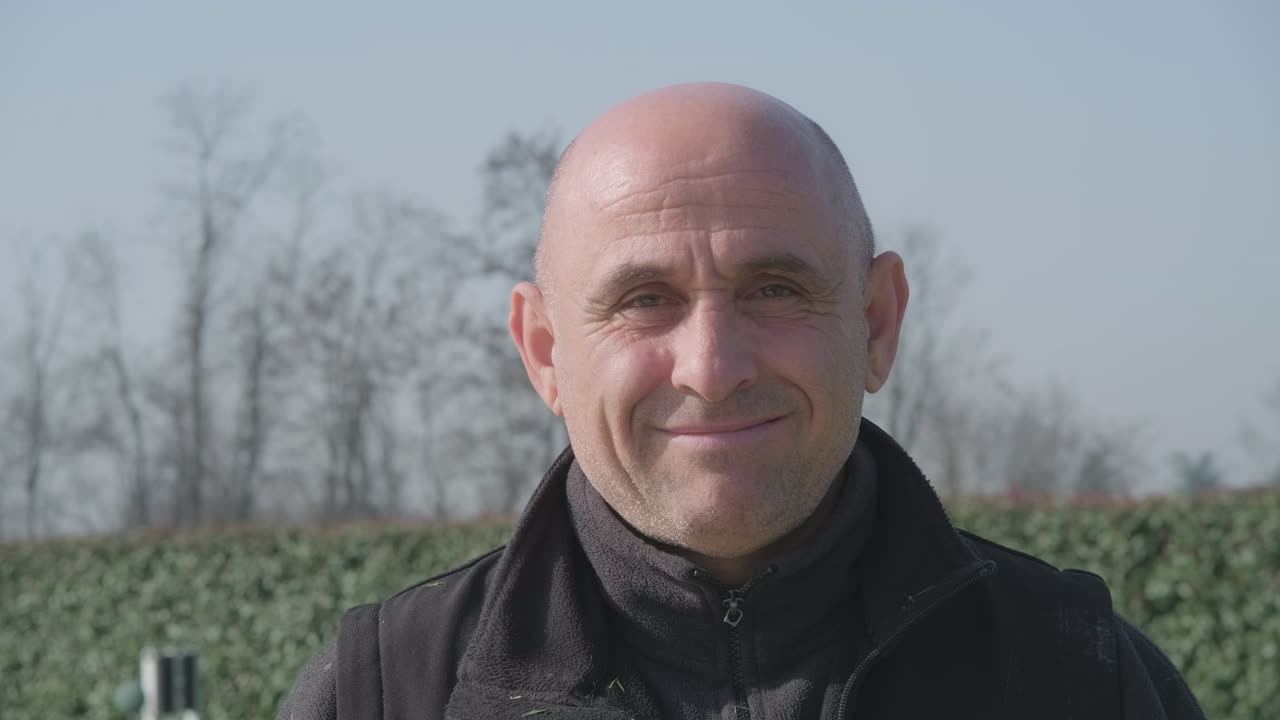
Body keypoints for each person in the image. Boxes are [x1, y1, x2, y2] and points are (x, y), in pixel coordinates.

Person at [280, 83, 1204, 719]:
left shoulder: (1079, 677)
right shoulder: (389, 693)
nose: (711, 367)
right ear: (547, 351)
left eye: (776, 289)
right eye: (644, 300)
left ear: (877, 324)